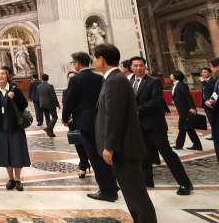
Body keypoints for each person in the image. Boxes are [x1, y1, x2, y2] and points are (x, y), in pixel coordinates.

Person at [94, 44, 157, 223]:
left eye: (94, 57)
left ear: (101, 59)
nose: (93, 61)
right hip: (124, 146)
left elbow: (114, 116)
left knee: (136, 195)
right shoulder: (114, 78)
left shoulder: (115, 80)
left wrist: (109, 146)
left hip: (124, 148)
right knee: (134, 194)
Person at [130, 56, 193, 194]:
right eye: (136, 65)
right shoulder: (129, 81)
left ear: (145, 67)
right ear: (131, 67)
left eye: (141, 65)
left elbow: (157, 100)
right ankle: (147, 182)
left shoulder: (153, 81)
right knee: (143, 154)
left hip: (154, 124)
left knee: (167, 153)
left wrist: (138, 110)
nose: (139, 68)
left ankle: (185, 183)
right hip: (138, 124)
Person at [62, 51, 120, 202]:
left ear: (76, 63)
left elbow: (70, 100)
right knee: (104, 155)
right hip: (101, 120)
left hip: (86, 122)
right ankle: (113, 187)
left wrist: (64, 117)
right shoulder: (100, 77)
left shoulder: (76, 79)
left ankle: (106, 190)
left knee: (94, 157)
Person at [0, 66, 30, 191]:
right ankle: (10, 178)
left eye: (3, 74)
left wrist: (14, 97)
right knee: (5, 153)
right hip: (1, 127)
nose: (0, 76)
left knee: (16, 152)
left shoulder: (14, 89)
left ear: (7, 76)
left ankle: (18, 179)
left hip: (15, 126)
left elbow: (24, 104)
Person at [62, 71, 90, 178]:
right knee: (78, 144)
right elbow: (66, 105)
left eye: (73, 77)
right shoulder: (66, 91)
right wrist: (68, 117)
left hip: (84, 120)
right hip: (73, 123)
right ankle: (83, 165)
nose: (71, 79)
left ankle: (88, 164)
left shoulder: (84, 90)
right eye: (69, 77)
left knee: (88, 144)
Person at [171, 70, 202, 151]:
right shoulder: (175, 85)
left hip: (185, 109)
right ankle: (197, 145)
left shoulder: (182, 85)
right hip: (180, 109)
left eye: (171, 74)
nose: (170, 75)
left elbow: (188, 97)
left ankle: (179, 144)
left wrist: (192, 108)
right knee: (188, 127)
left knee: (182, 127)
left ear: (175, 76)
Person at [205, 57, 219, 165]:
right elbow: (216, 94)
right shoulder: (218, 81)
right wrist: (212, 100)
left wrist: (213, 103)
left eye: (211, 67)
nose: (211, 69)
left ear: (217, 67)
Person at [201, 67, 217, 141]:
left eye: (205, 72)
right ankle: (214, 135)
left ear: (210, 73)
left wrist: (203, 82)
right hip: (205, 103)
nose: (203, 73)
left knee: (215, 119)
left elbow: (210, 89)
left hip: (212, 103)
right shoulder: (204, 81)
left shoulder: (214, 80)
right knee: (210, 120)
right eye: (202, 72)